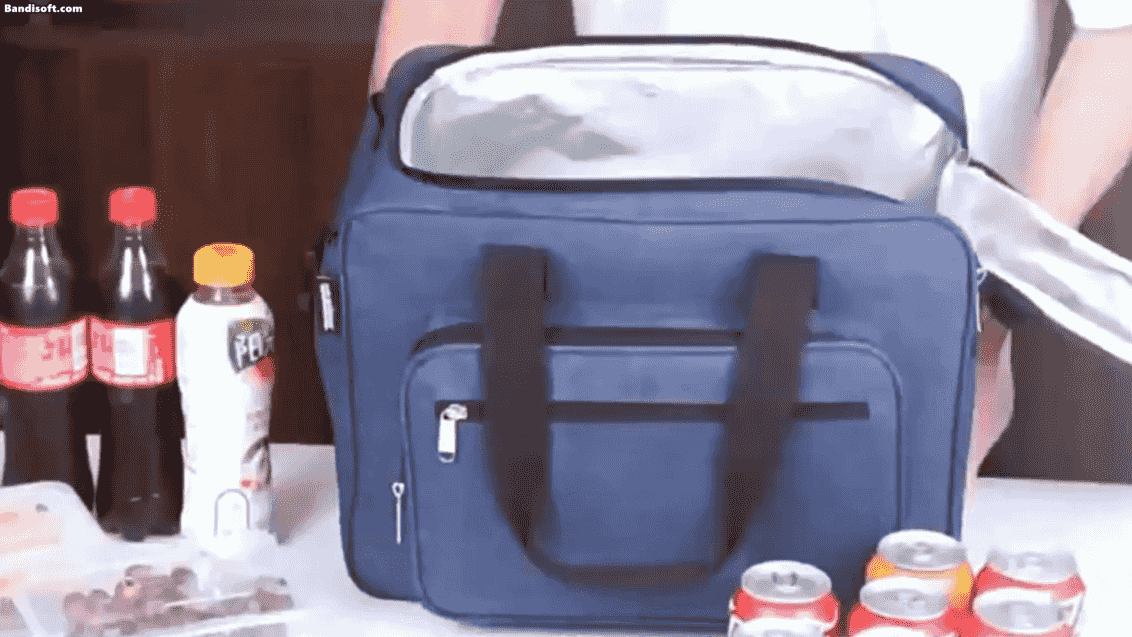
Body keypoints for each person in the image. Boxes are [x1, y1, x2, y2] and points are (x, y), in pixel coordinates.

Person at [367, 0, 1132, 501]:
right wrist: (397, 259)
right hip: (621, 296)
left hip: (910, 319)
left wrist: (986, 306)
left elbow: (1119, 30)